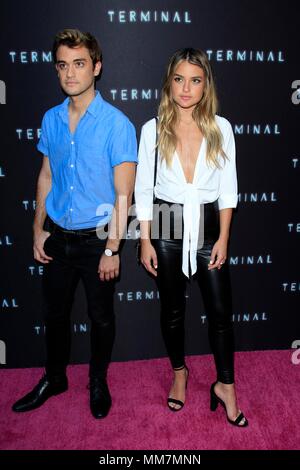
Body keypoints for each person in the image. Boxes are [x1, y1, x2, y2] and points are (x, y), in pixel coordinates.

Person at [12, 29, 137, 419]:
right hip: (58, 236)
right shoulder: (50, 119)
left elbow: (124, 196)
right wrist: (37, 228)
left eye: (79, 64)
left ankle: (97, 380)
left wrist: (113, 248)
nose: (70, 74)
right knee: (54, 315)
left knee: (100, 317)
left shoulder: (117, 124)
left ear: (96, 68)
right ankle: (55, 377)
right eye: (63, 65)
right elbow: (45, 176)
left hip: (98, 240)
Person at [135, 48, 248, 427]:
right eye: (179, 79)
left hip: (207, 224)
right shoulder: (152, 129)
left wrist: (224, 239)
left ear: (205, 85)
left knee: (220, 313)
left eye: (195, 80)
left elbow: (228, 190)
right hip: (167, 222)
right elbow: (143, 190)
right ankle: (179, 372)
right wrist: (146, 240)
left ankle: (226, 385)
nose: (186, 88)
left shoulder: (222, 128)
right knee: (172, 310)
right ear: (169, 81)